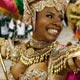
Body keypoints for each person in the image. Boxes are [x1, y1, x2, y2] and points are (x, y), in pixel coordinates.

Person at [1, 0, 80, 80]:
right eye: (49, 16)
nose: (58, 23)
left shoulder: (61, 56)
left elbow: (75, 56)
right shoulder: (17, 49)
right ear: (31, 18)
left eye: (60, 18)